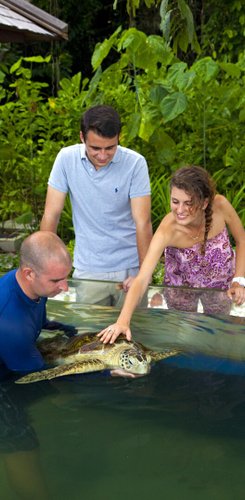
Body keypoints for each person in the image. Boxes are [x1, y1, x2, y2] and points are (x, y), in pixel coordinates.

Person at [98, 165, 245, 343]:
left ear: (205, 203)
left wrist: (238, 280)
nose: (180, 210)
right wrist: (122, 321)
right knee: (182, 335)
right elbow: (143, 278)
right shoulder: (167, 229)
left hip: (220, 286)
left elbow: (242, 240)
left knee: (218, 331)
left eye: (188, 203)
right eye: (175, 201)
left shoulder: (220, 206)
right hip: (180, 289)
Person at [40, 104, 153, 306]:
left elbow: (142, 222)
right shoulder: (66, 159)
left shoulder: (136, 163)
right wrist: (47, 267)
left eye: (110, 147)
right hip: (88, 270)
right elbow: (51, 215)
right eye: (95, 148)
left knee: (134, 332)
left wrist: (144, 275)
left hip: (130, 268)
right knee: (88, 334)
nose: (102, 155)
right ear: (82, 137)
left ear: (119, 137)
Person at [0, 231, 76, 375]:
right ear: (29, 274)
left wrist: (65, 328)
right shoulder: (12, 326)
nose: (65, 287)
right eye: (56, 280)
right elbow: (40, 375)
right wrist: (106, 371)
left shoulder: (34, 287)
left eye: (66, 277)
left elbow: (35, 319)